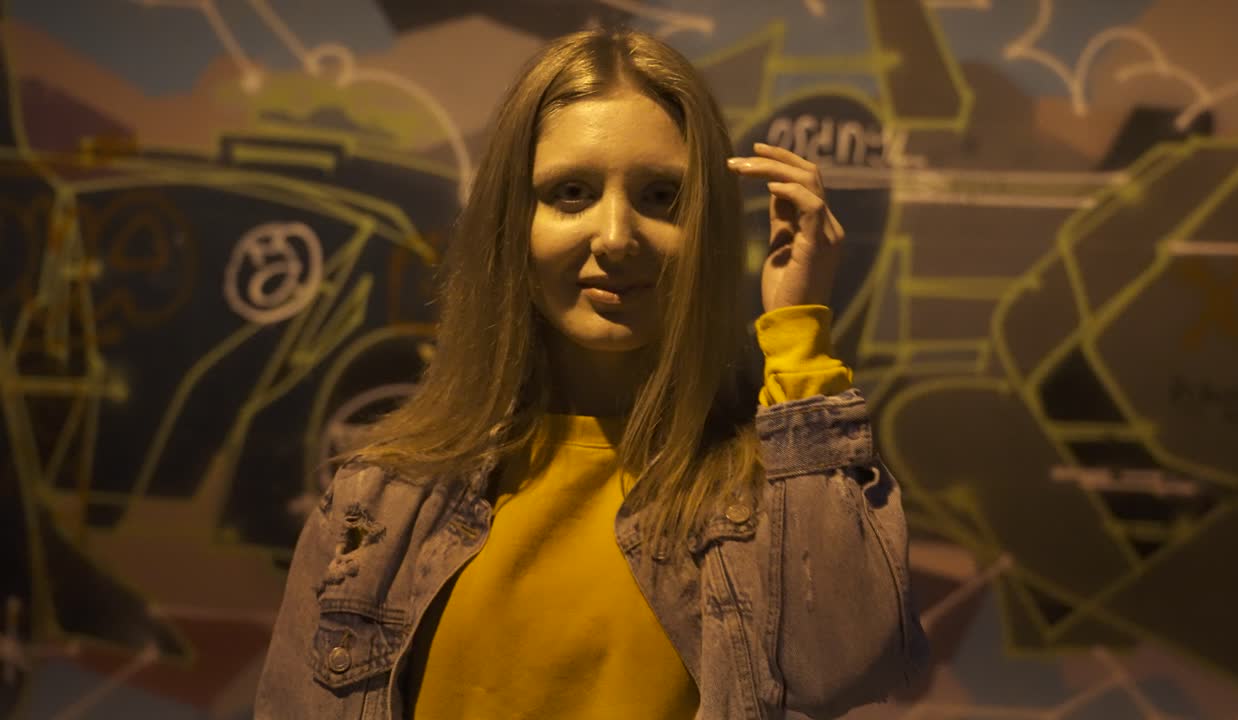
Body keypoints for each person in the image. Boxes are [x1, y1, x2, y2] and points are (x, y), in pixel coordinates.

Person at [255, 26, 928, 720]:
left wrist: (799, 333)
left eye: (662, 196)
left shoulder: (768, 499)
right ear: (512, 221)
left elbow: (844, 666)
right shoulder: (381, 497)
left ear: (709, 226)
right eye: (571, 191)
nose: (615, 237)